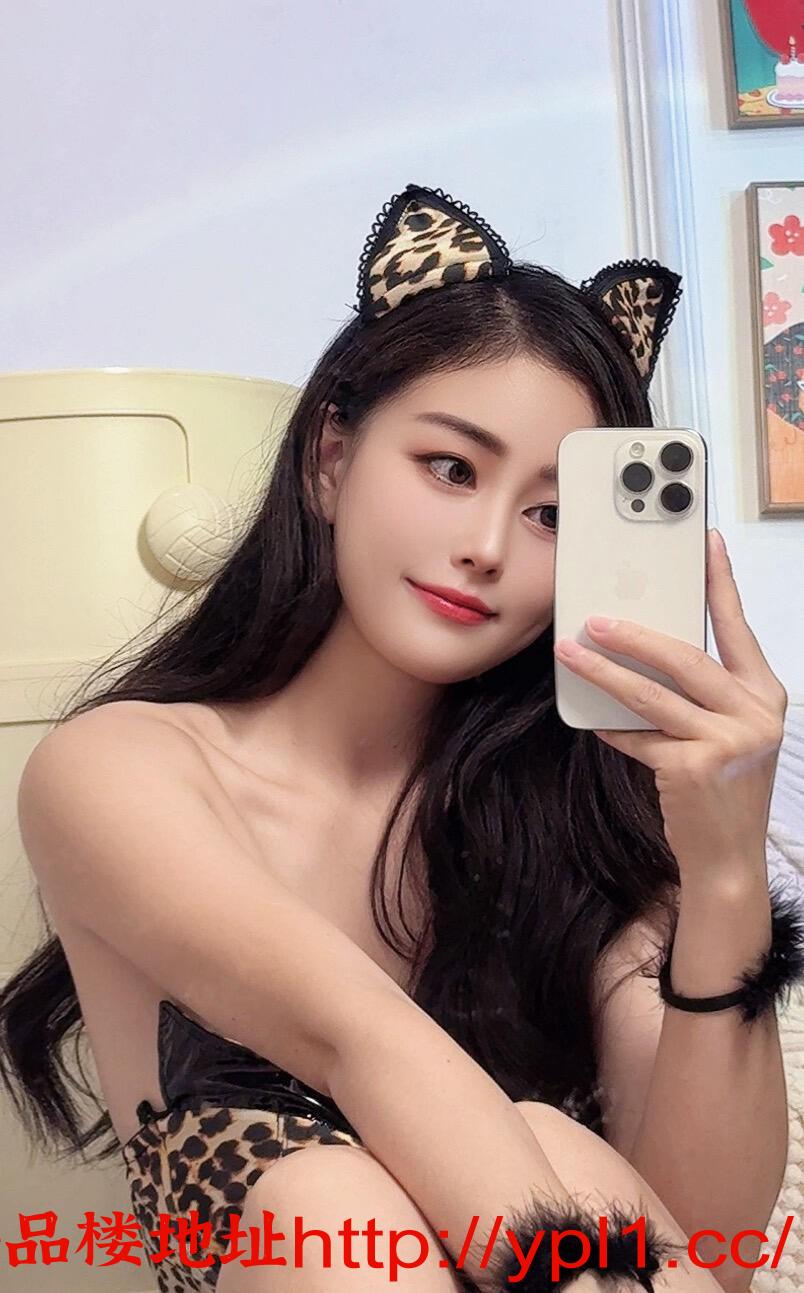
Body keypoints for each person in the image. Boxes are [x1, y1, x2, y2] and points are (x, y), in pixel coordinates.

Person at [1, 182, 802, 1293]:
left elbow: (710, 1243)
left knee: (564, 1149)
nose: (487, 546)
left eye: (551, 514)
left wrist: (723, 870)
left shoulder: (575, 810)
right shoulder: (118, 769)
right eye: (451, 468)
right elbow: (358, 1037)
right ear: (331, 459)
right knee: (335, 1201)